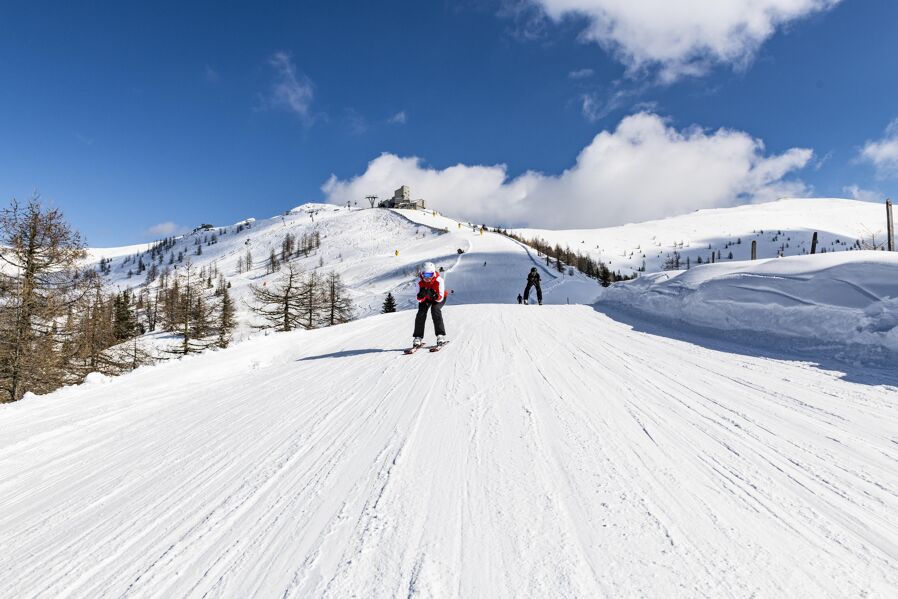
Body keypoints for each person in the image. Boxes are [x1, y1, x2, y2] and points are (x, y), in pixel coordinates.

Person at [412, 261, 447, 347]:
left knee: (435, 310)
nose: (427, 278)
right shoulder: (419, 281)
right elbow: (419, 300)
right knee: (421, 312)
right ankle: (418, 337)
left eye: (430, 275)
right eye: (425, 275)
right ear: (422, 274)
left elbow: (441, 298)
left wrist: (435, 296)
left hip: (438, 298)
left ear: (434, 273)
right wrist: (421, 295)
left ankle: (440, 335)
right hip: (426, 299)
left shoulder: (439, 280)